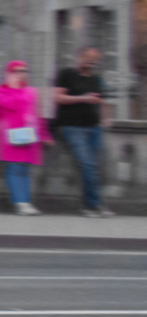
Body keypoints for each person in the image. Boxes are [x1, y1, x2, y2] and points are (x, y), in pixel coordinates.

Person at [52, 44, 112, 216]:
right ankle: (93, 205)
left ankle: (91, 206)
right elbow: (58, 98)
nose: (91, 63)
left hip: (94, 128)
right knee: (87, 164)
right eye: (88, 59)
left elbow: (103, 102)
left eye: (95, 61)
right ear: (79, 57)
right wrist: (83, 98)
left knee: (93, 166)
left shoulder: (97, 79)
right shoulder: (67, 74)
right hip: (72, 127)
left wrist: (106, 119)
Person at [0, 60, 47, 215]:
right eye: (18, 71)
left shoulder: (31, 91)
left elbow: (36, 113)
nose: (22, 74)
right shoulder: (0, 91)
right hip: (10, 135)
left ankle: (26, 202)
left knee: (25, 168)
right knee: (14, 168)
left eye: (24, 71)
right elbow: (2, 107)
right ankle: (19, 202)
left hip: (27, 133)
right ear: (9, 73)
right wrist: (14, 87)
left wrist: (43, 133)